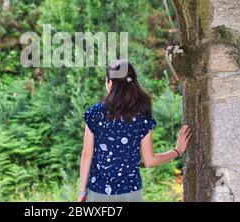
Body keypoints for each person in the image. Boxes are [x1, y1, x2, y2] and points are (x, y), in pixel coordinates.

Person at [77, 59, 191, 202]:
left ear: (109, 82)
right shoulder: (142, 116)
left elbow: (87, 155)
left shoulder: (95, 113)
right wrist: (177, 150)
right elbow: (149, 160)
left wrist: (82, 192)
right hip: (130, 193)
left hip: (98, 193)